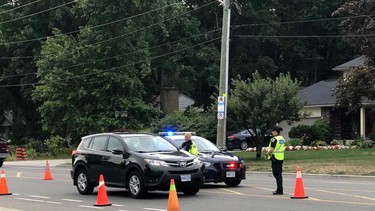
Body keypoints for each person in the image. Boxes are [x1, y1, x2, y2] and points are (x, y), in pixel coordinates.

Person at [265, 126, 285, 195]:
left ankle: (279, 190)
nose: (272, 132)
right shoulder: (282, 138)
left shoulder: (274, 139)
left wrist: (267, 154)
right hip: (281, 158)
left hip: (275, 158)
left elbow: (272, 149)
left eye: (273, 131)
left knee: (276, 174)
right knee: (279, 174)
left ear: (275, 131)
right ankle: (280, 188)